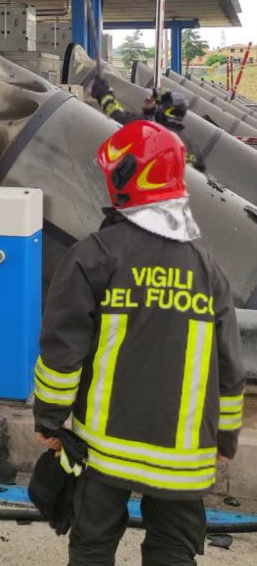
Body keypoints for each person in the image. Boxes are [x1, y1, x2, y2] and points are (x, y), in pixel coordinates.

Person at [33, 119, 245, 566]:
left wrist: (49, 420)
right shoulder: (208, 270)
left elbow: (62, 352)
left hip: (104, 452)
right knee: (172, 551)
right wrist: (225, 437)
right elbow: (229, 366)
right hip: (183, 459)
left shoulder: (95, 256)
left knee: (92, 548)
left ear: (126, 182)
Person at [90, 76, 205, 171]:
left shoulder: (151, 131)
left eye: (152, 100)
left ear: (164, 109)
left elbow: (117, 114)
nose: (146, 99)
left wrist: (104, 94)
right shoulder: (193, 148)